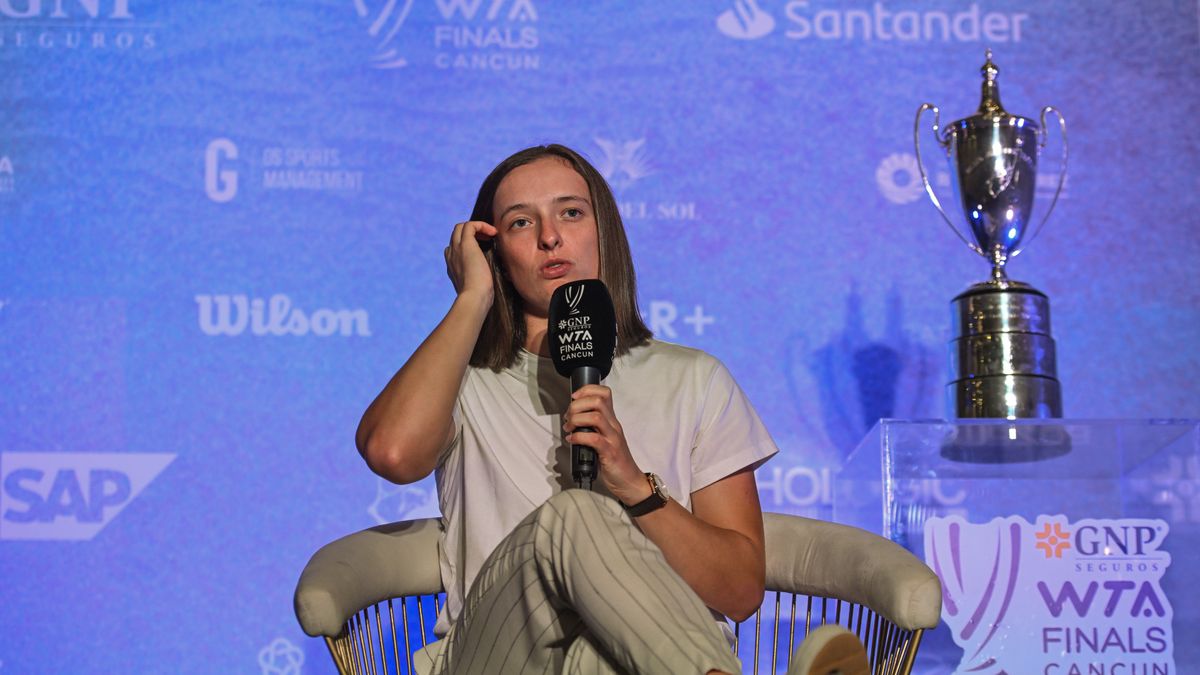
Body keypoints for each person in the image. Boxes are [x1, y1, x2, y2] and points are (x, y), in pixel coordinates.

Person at [356, 144, 820, 674]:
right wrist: (471, 300)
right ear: (495, 254)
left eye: (570, 212)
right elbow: (391, 452)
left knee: (595, 656)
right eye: (520, 223)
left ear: (606, 232)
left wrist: (635, 488)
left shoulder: (694, 379)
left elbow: (739, 593)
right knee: (576, 512)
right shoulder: (461, 380)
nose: (549, 237)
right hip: (502, 657)